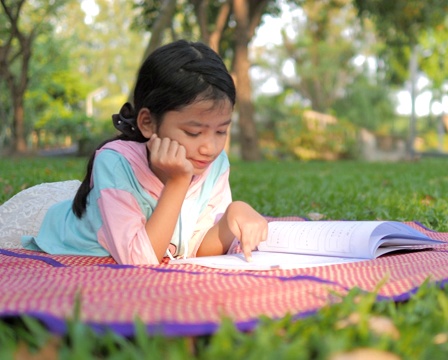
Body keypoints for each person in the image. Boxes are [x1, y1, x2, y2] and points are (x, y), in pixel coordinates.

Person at [20, 40, 268, 265]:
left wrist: (233, 216)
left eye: (221, 132)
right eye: (193, 133)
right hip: (76, 240)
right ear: (148, 122)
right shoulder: (115, 163)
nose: (210, 148)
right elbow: (139, 261)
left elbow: (197, 249)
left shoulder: (214, 163)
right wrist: (178, 181)